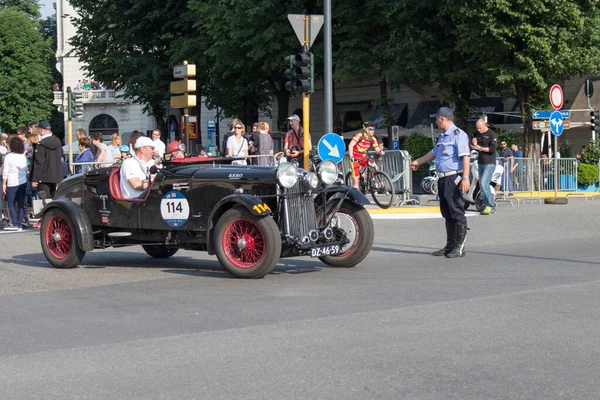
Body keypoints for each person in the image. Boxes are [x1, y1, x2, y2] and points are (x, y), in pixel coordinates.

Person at [410, 107, 470, 258]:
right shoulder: (443, 136)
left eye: (437, 119)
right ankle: (450, 245)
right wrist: (418, 161)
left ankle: (459, 246)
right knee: (447, 211)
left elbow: (465, 157)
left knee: (456, 210)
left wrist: (465, 178)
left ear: (442, 119)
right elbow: (433, 153)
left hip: (454, 177)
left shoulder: (459, 135)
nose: (436, 122)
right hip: (442, 178)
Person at [30, 121, 63, 199]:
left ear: (41, 130)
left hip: (43, 177)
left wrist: (35, 179)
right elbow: (60, 155)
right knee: (54, 199)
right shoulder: (58, 142)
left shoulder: (40, 145)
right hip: (56, 176)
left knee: (44, 201)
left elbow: (39, 163)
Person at [471, 119, 498, 215]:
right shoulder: (477, 133)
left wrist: (480, 148)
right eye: (477, 128)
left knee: (484, 183)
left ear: (485, 125)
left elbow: (492, 149)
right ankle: (487, 205)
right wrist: (473, 142)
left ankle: (491, 206)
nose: (478, 130)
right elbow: (473, 139)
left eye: (480, 128)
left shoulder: (492, 134)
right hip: (480, 162)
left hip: (489, 163)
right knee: (482, 186)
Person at [347, 121, 384, 190]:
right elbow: (350, 145)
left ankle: (371, 180)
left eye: (373, 129)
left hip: (363, 157)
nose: (372, 131)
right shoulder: (359, 135)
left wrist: (380, 152)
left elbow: (376, 148)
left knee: (374, 166)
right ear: (366, 129)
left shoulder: (372, 138)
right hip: (355, 157)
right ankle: (356, 193)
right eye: (370, 129)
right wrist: (351, 157)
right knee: (356, 179)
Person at [2, 136, 28, 231]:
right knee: (21, 203)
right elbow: (26, 169)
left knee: (11, 203)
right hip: (23, 181)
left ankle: (14, 223)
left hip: (12, 182)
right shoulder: (23, 156)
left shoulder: (8, 157)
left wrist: (4, 184)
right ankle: (20, 224)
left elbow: (5, 172)